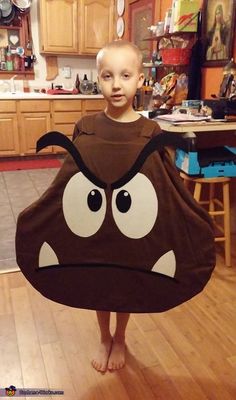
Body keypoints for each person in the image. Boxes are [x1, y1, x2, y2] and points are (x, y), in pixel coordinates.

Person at [72, 40, 161, 372]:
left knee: (124, 284)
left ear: (140, 79)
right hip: (96, 226)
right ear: (98, 79)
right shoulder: (86, 128)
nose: (116, 84)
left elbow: (161, 188)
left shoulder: (151, 133)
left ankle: (120, 337)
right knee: (100, 282)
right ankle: (103, 336)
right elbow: (72, 182)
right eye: (108, 76)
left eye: (125, 75)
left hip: (131, 227)